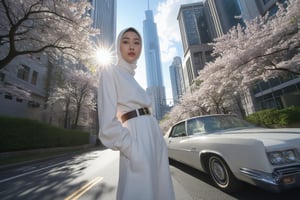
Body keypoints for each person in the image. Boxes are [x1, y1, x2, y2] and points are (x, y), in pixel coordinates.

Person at [97, 27, 175, 200]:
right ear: (118, 46)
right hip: (135, 138)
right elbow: (108, 124)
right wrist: (131, 148)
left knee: (159, 190)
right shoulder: (110, 71)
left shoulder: (133, 79)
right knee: (139, 192)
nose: (131, 46)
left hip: (154, 137)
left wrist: (157, 139)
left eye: (136, 42)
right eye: (126, 41)